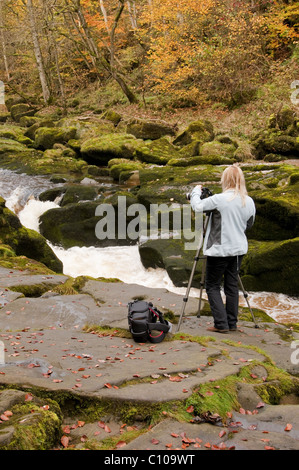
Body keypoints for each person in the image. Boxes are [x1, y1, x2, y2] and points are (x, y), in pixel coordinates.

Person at [190, 164, 256, 333]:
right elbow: (249, 224)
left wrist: (196, 191)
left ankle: (221, 324)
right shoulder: (248, 201)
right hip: (238, 249)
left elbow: (197, 207)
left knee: (212, 285)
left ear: (225, 180)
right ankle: (232, 323)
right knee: (231, 286)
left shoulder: (219, 199)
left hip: (219, 250)